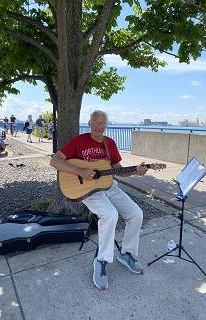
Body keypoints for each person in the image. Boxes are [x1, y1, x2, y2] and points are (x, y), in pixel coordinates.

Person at [50, 110, 148, 290]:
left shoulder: (109, 143)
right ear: (89, 123)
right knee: (110, 215)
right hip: (90, 191)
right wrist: (80, 172)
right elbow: (55, 161)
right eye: (96, 122)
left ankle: (127, 254)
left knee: (136, 214)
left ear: (106, 124)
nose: (99, 126)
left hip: (109, 187)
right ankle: (101, 261)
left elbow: (119, 170)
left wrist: (136, 170)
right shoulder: (79, 141)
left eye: (103, 122)